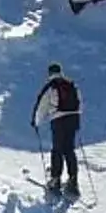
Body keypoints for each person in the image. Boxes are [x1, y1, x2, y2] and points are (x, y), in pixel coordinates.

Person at [31, 59, 82, 199]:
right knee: (69, 149)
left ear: (50, 73)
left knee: (57, 149)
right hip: (73, 119)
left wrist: (36, 122)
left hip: (59, 120)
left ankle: (55, 180)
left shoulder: (51, 86)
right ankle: (73, 180)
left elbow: (42, 106)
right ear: (60, 72)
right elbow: (79, 102)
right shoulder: (72, 85)